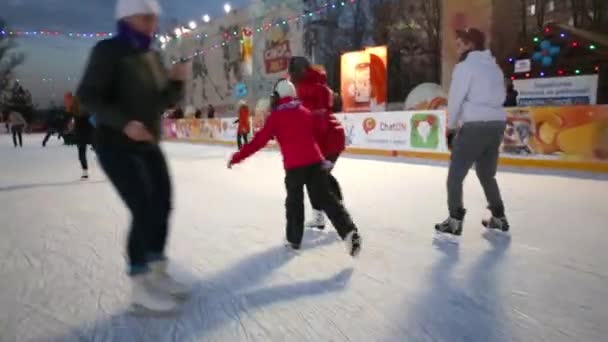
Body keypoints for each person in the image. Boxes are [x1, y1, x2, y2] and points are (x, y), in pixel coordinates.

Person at [77, 0, 190, 313]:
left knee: (162, 204)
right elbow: (88, 96)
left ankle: (156, 272)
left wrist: (177, 81)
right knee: (143, 207)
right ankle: (140, 285)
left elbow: (160, 101)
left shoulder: (152, 55)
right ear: (127, 17)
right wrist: (124, 123)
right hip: (114, 144)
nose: (152, 23)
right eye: (145, 17)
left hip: (148, 142)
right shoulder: (108, 50)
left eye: (154, 17)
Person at [228, 79, 362, 256]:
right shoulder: (305, 112)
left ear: (278, 96)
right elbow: (319, 135)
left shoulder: (275, 117)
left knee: (294, 203)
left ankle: (293, 240)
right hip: (315, 163)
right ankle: (349, 232)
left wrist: (237, 157)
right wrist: (325, 157)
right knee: (327, 199)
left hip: (294, 168)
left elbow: (257, 142)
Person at [435, 28, 510, 237]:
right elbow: (501, 95)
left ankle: (454, 220)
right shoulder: (495, 68)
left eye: (460, 44)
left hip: (475, 126)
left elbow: (456, 98)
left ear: (471, 44)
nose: (457, 48)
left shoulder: (465, 67)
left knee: (455, 176)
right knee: (487, 174)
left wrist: (450, 126)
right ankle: (499, 217)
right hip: (496, 125)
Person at [288, 56, 346, 230]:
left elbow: (318, 120)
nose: (291, 76)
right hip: (330, 139)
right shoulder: (311, 86)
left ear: (301, 71)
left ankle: (330, 216)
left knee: (315, 180)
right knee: (320, 178)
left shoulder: (310, 89)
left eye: (293, 73)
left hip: (328, 141)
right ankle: (332, 211)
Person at [67, 93, 94, 180]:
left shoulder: (73, 109)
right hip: (90, 132)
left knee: (81, 153)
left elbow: (71, 121)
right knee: (100, 152)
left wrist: (70, 128)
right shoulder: (89, 108)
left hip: (80, 133)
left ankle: (85, 172)